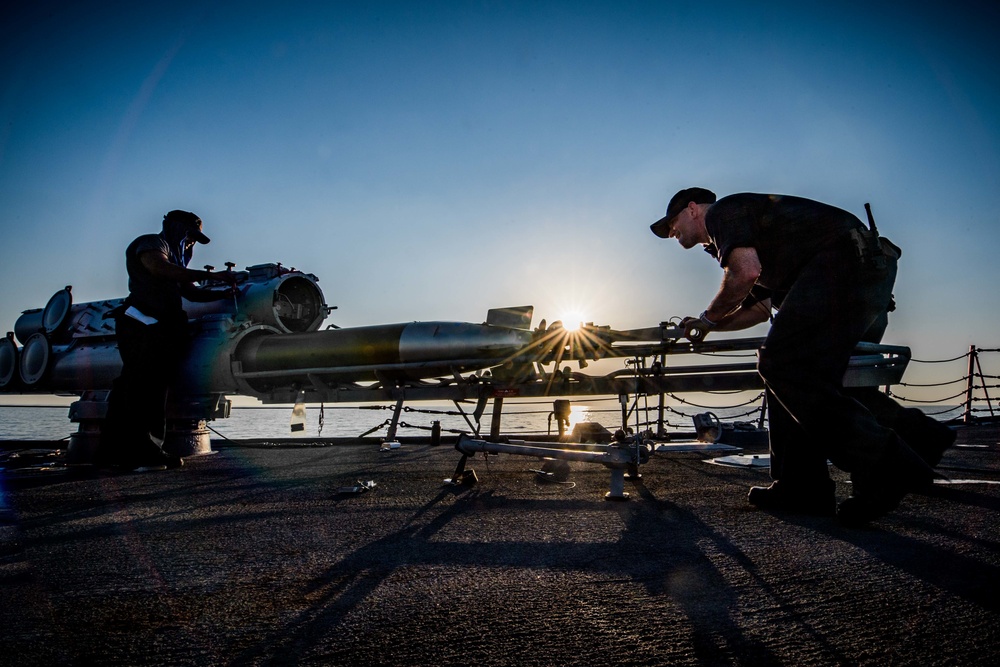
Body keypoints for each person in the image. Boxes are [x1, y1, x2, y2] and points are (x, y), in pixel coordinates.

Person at [650, 188, 955, 525]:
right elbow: (759, 307)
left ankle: (884, 465)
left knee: (785, 365)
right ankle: (805, 483)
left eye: (672, 223)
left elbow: (744, 273)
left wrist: (708, 317)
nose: (671, 232)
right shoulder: (750, 230)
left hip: (841, 265)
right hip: (864, 273)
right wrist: (709, 326)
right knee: (802, 377)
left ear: (693, 209)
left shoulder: (724, 212)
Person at [97, 210, 237, 472]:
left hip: (161, 326)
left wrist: (225, 292)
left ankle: (115, 451)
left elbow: (191, 294)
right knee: (146, 385)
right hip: (142, 323)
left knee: (141, 385)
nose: (190, 243)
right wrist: (214, 276)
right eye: (189, 236)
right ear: (172, 226)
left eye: (194, 240)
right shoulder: (152, 243)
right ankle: (143, 448)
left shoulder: (179, 263)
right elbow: (158, 267)